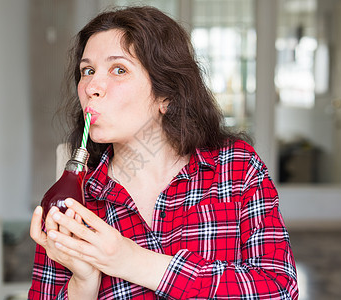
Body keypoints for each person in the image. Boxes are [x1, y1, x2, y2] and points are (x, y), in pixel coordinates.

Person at [28, 6, 298, 300]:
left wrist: (132, 261)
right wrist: (83, 282)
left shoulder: (236, 168)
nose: (92, 86)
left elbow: (280, 289)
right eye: (87, 70)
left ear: (166, 94)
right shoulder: (75, 203)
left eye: (119, 69)